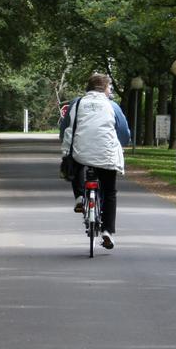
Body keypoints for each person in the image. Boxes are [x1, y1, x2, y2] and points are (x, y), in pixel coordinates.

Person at [61, 73, 131, 249]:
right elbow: (123, 131)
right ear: (105, 88)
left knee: (75, 164)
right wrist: (121, 144)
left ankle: (79, 197)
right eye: (110, 88)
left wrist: (65, 148)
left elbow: (66, 127)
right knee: (109, 192)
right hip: (105, 154)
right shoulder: (112, 105)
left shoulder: (77, 103)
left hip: (81, 151)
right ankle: (108, 230)